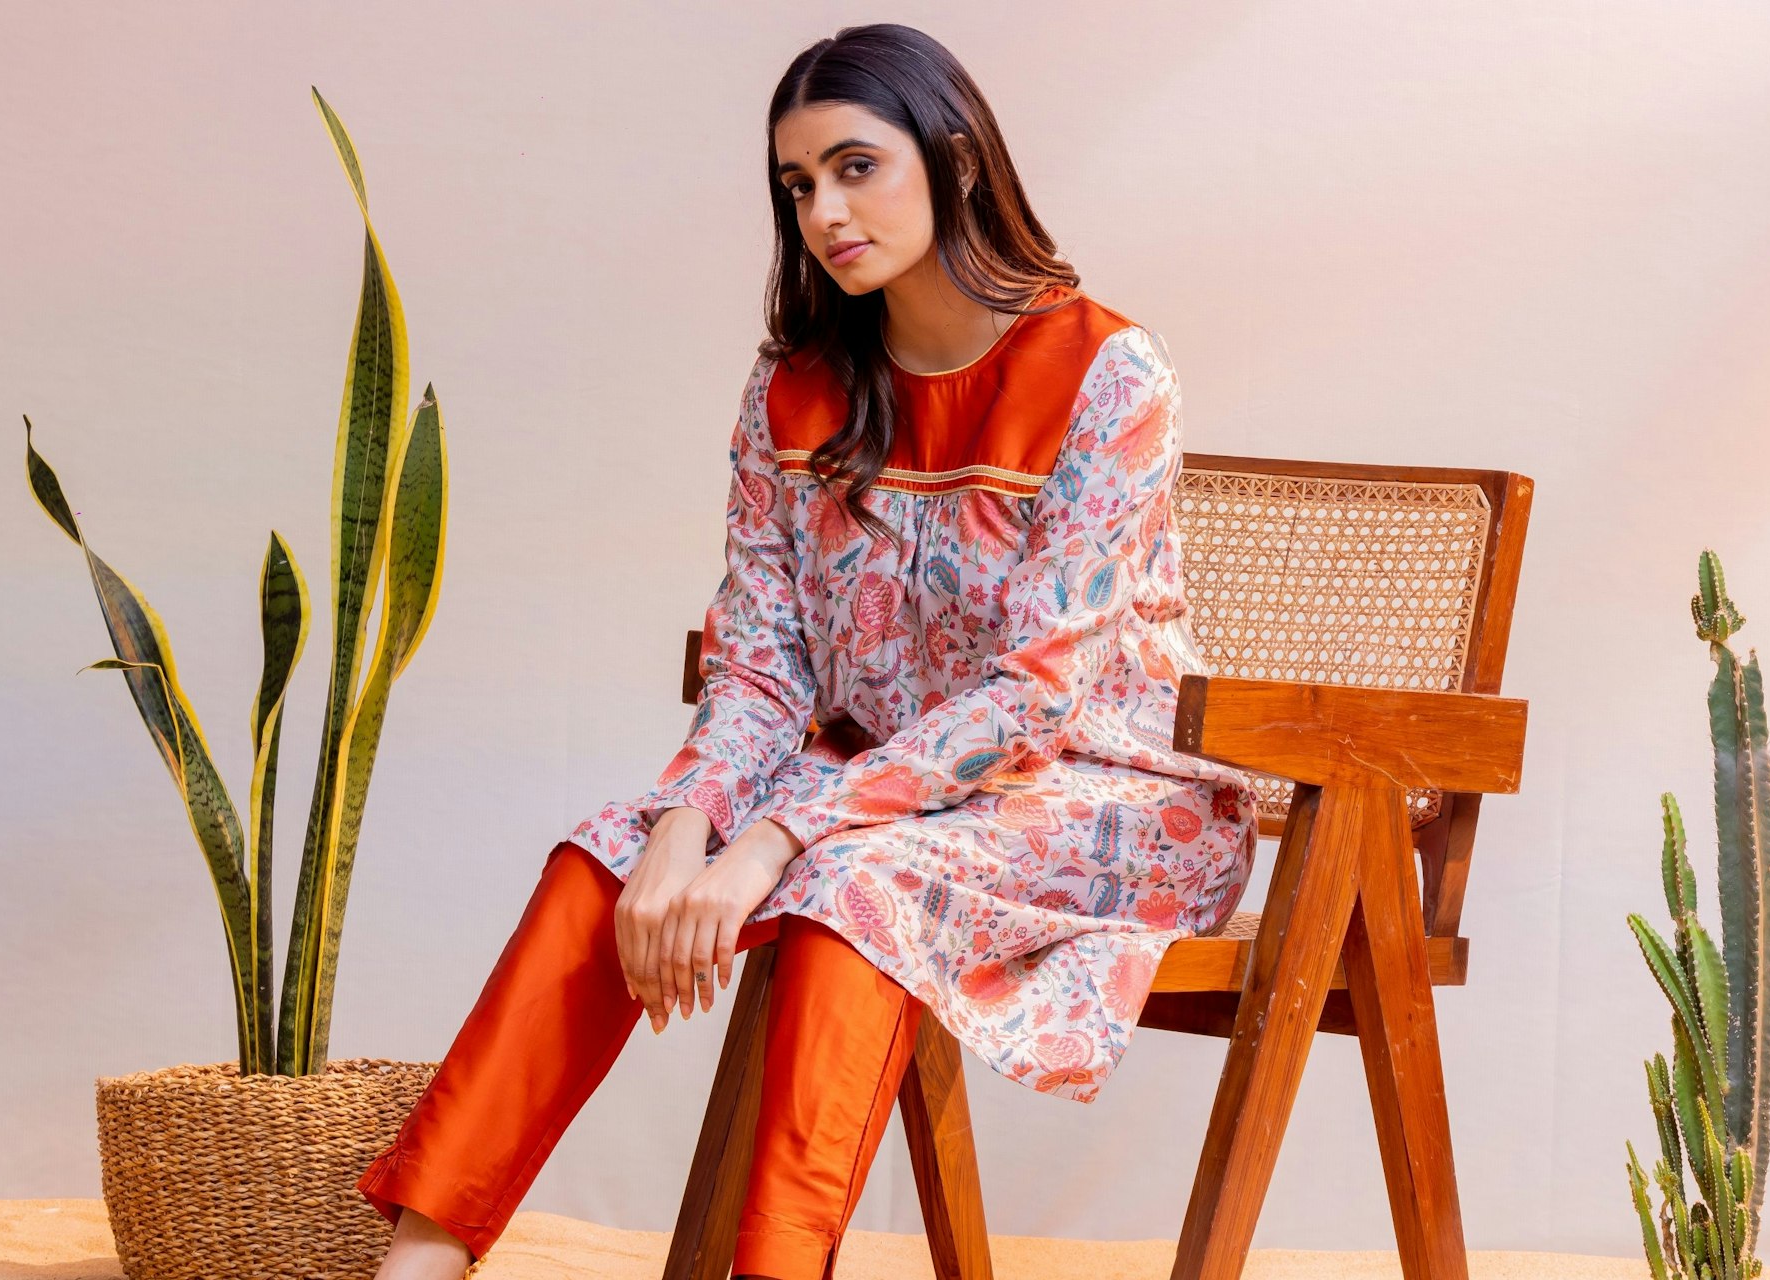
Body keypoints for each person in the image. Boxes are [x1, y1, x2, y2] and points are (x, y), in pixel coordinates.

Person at [355, 20, 1259, 1280]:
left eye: (855, 167)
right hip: (884, 796)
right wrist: (683, 821)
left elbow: (1033, 696)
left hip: (1099, 796)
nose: (825, 212)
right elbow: (765, 666)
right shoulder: (794, 385)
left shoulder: (1107, 371)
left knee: (851, 887)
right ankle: (417, 1267)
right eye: (797, 187)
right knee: (604, 858)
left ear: (950, 158)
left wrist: (781, 830)